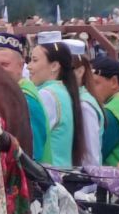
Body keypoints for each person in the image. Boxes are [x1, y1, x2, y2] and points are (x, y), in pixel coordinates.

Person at [0, 31, 50, 159]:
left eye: (5, 64)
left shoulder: (26, 100)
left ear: (20, 66)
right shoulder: (6, 94)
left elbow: (32, 154)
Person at [27, 37, 84, 168]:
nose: (29, 66)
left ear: (54, 66)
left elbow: (33, 139)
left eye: (34, 60)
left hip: (50, 175)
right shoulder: (64, 91)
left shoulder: (47, 95)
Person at [64, 40, 103, 165]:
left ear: (80, 71)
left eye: (66, 69)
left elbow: (91, 156)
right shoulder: (75, 99)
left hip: (82, 181)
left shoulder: (84, 105)